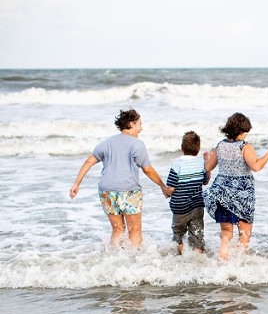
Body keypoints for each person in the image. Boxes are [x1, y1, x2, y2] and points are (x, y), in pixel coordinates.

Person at [70, 108, 172, 248]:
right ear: (131, 124)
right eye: (139, 124)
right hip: (128, 191)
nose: (141, 128)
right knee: (134, 230)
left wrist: (76, 184)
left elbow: (89, 161)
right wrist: (162, 186)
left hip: (107, 191)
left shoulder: (107, 143)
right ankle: (135, 261)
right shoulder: (137, 144)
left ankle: (115, 260)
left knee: (117, 230)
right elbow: (147, 169)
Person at [203, 112, 268, 261]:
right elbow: (256, 166)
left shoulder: (220, 145)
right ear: (241, 130)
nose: (246, 134)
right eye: (245, 131)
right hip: (242, 195)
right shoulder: (245, 147)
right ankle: (236, 268)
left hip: (220, 192)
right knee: (244, 237)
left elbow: (208, 167)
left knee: (226, 235)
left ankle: (222, 263)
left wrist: (207, 158)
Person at [165, 131, 211, 254]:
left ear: (181, 148)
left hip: (179, 207)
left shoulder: (177, 165)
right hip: (196, 206)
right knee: (197, 235)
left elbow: (171, 187)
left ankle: (180, 257)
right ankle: (196, 258)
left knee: (178, 235)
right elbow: (205, 181)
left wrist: (167, 193)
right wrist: (207, 163)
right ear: (198, 148)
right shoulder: (201, 163)